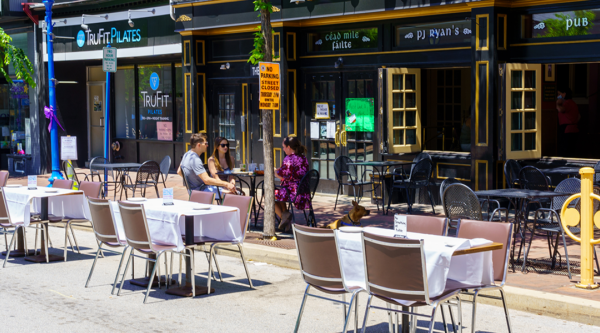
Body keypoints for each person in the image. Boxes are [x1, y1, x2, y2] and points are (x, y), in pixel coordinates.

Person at [274, 136, 310, 232]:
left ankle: (284, 218)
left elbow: (283, 176)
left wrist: (274, 172)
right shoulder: (303, 158)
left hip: (293, 193)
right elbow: (293, 173)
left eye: (284, 147)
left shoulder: (288, 159)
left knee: (269, 195)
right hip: (303, 192)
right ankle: (285, 214)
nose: (283, 149)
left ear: (289, 147)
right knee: (279, 191)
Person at [556, 85, 579, 157]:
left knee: (565, 151)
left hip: (567, 129)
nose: (558, 96)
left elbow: (560, 109)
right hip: (572, 129)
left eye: (559, 94)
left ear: (564, 94)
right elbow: (579, 116)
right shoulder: (573, 103)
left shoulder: (568, 103)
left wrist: (557, 103)